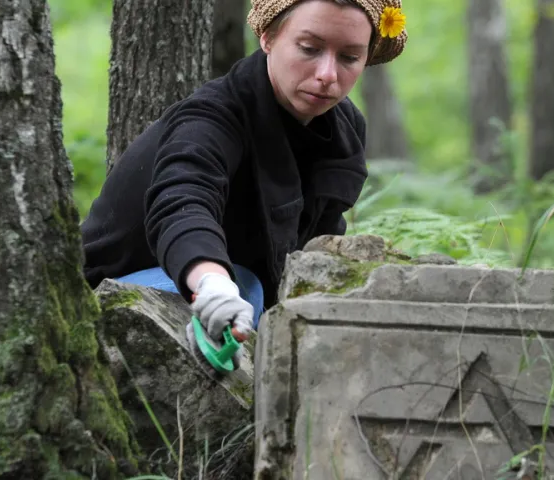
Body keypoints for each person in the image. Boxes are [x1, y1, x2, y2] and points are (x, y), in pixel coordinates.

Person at [79, 0, 408, 369]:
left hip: (243, 295)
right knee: (246, 286)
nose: (328, 74)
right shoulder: (212, 117)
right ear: (267, 38)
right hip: (119, 290)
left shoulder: (344, 130)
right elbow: (183, 201)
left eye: (349, 57)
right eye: (310, 49)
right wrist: (212, 284)